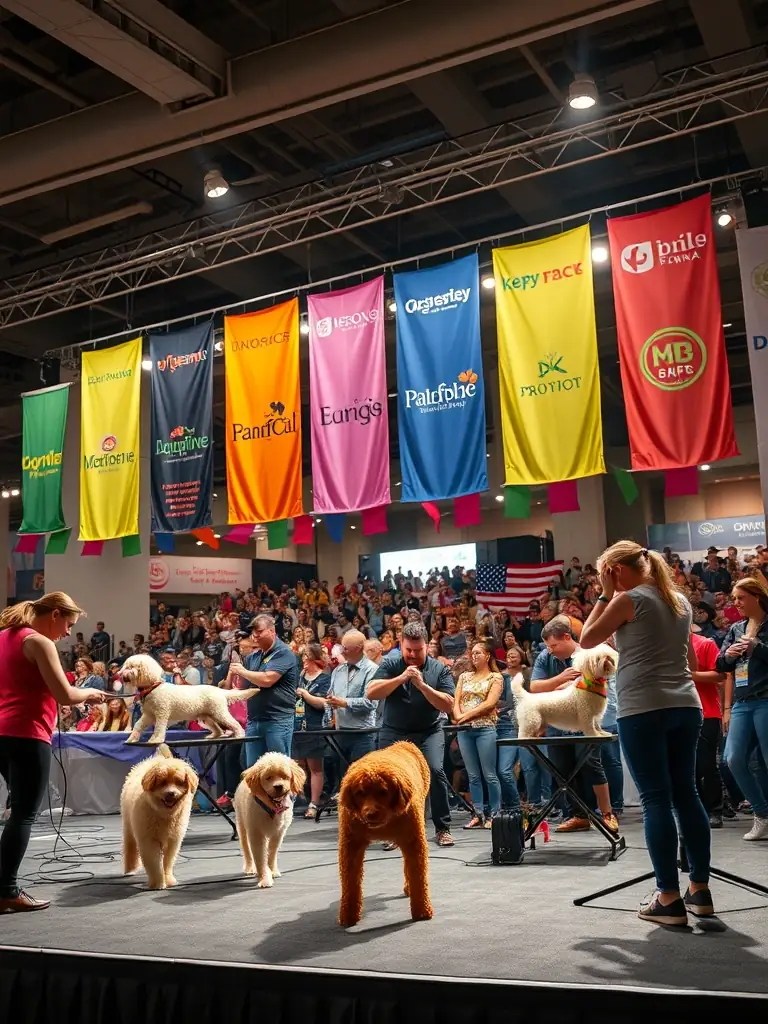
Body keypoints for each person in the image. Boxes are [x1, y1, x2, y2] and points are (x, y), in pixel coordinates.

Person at [580, 541, 711, 926]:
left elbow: (586, 640)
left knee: (656, 799)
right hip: (686, 705)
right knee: (686, 793)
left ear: (616, 571)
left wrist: (604, 595)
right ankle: (699, 890)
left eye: (604, 575)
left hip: (643, 707)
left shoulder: (627, 599)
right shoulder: (679, 602)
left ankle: (668, 897)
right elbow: (689, 659)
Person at [0, 593, 105, 913]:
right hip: (27, 733)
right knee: (23, 814)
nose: (68, 633)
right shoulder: (38, 642)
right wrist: (90, 692)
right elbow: (65, 694)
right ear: (56, 614)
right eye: (68, 625)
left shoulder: (4, 637)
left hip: (3, 731)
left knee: (16, 807)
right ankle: (6, 891)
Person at [368, 622, 456, 847]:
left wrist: (422, 685)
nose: (413, 655)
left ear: (426, 646)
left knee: (435, 771)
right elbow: (371, 692)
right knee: (388, 777)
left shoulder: (439, 669)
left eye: (418, 650)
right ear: (401, 645)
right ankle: (393, 829)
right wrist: (400, 679)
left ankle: (443, 828)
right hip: (394, 730)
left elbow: (448, 705)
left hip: (429, 731)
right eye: (408, 650)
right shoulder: (391, 663)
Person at [531, 618, 619, 835]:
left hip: (585, 721)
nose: (550, 650)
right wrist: (560, 680)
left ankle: (607, 813)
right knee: (562, 770)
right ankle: (578, 815)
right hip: (557, 723)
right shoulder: (545, 657)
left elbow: (592, 682)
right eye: (548, 646)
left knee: (591, 764)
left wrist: (563, 687)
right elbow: (534, 687)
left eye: (554, 645)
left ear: (567, 637)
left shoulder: (590, 654)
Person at [716, 576, 768, 841]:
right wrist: (728, 655)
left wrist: (756, 647)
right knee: (733, 759)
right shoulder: (736, 628)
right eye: (734, 598)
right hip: (742, 702)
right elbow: (720, 664)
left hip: (766, 699)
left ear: (756, 597)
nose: (736, 603)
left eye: (741, 598)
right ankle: (762, 813)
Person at [229, 614, 299, 766]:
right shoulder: (252, 657)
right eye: (254, 632)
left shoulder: (283, 653)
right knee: (253, 769)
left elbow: (267, 680)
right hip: (254, 719)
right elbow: (243, 686)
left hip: (278, 719)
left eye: (259, 631)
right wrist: (234, 671)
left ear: (272, 631)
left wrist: (243, 671)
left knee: (279, 768)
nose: (255, 635)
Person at [453, 640, 503, 828]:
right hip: (464, 730)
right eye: (472, 653)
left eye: (478, 653)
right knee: (472, 775)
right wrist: (459, 717)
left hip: (485, 728)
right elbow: (456, 702)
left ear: (488, 656)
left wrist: (464, 717)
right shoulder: (464, 677)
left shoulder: (495, 677)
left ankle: (495, 813)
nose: (474, 656)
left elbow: (489, 704)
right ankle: (478, 813)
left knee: (489, 774)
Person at [689, 627, 727, 828]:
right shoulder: (666, 645)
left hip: (707, 712)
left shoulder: (705, 643)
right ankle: (695, 809)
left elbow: (720, 675)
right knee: (687, 767)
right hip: (679, 711)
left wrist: (691, 675)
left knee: (707, 764)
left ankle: (715, 809)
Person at [326, 630, 379, 764]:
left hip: (363, 734)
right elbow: (330, 695)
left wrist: (344, 702)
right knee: (338, 774)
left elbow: (371, 703)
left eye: (345, 648)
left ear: (359, 649)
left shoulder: (372, 670)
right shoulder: (338, 670)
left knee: (361, 775)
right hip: (339, 732)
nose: (342, 651)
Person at [294, 643, 332, 819]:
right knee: (298, 764)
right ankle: (299, 799)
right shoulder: (299, 677)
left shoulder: (325, 679)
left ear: (315, 659)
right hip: (297, 726)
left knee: (315, 767)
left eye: (306, 656)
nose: (303, 660)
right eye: (303, 656)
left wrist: (305, 695)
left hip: (315, 727)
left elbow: (323, 703)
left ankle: (315, 803)